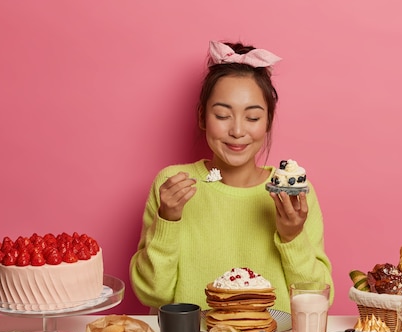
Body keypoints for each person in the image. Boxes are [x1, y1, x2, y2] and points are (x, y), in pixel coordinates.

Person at [130, 40, 333, 313]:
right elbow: (152, 294)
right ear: (203, 117)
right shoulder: (172, 185)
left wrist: (292, 236)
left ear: (268, 123)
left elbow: (317, 300)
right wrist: (168, 220)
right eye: (223, 115)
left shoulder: (293, 193)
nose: (237, 131)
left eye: (252, 118)